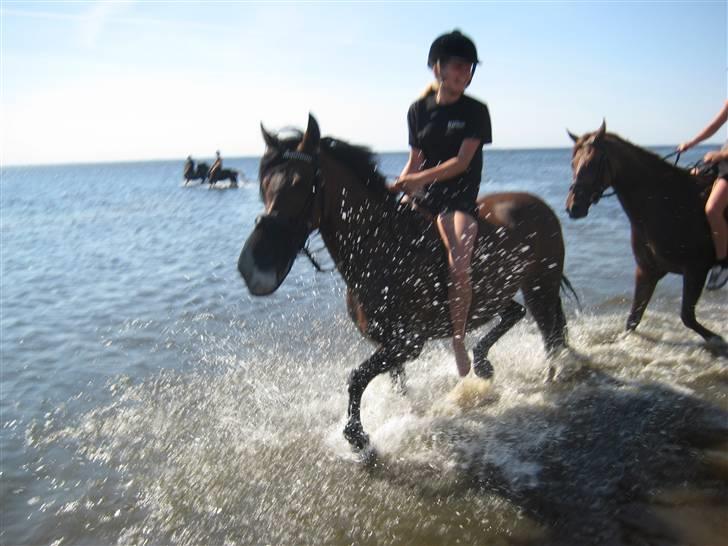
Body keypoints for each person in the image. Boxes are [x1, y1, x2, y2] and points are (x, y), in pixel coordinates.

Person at [392, 29, 492, 377]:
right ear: (438, 69)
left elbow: (462, 163)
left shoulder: (476, 111)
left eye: (470, 69)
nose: (465, 74)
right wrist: (401, 190)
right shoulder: (418, 110)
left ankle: (459, 339)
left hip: (458, 199)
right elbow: (415, 160)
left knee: (459, 259)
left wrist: (417, 180)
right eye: (459, 67)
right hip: (424, 196)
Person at [677, 99, 728, 290]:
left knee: (713, 209)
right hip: (723, 162)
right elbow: (714, 125)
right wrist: (691, 143)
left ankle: (723, 263)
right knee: (689, 179)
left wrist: (721, 155)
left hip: (726, 162)